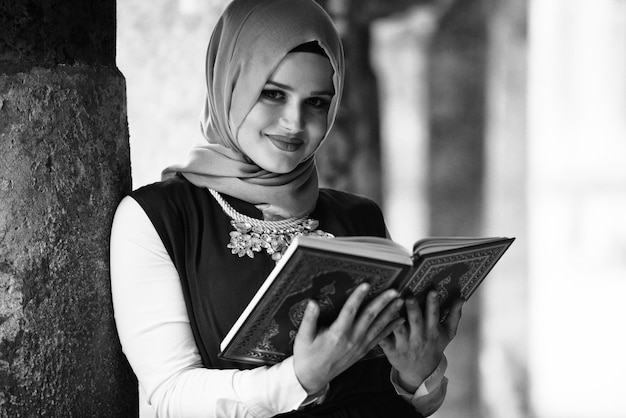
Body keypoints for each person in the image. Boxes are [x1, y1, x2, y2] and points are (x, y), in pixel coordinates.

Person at [110, 0, 464, 416]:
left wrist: (414, 374)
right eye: (273, 94)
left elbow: (383, 400)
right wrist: (300, 378)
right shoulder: (159, 219)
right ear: (231, 85)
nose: (294, 123)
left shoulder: (360, 218)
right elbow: (171, 396)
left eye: (316, 102)